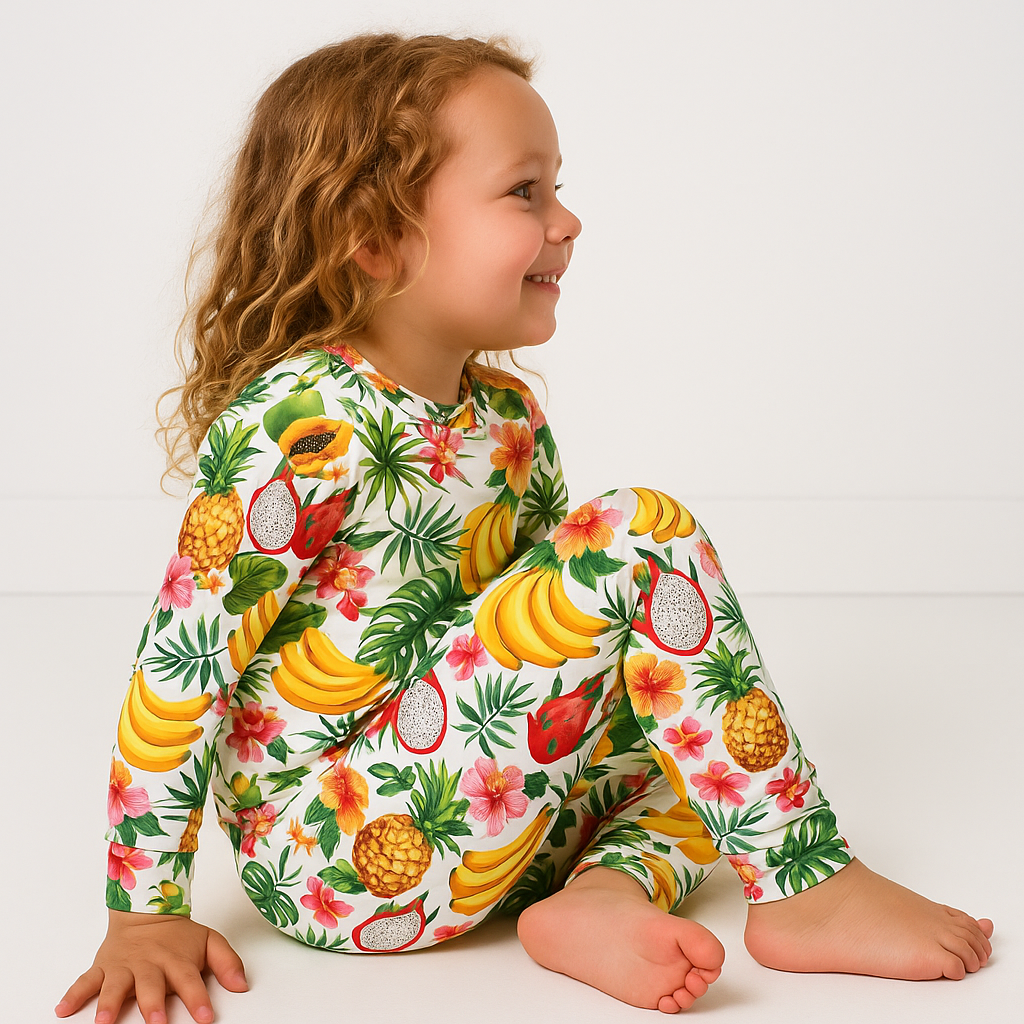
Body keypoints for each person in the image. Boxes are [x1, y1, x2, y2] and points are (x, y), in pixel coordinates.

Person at [56, 33, 993, 1023]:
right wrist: (143, 911)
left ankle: (597, 899)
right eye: (525, 193)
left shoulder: (504, 418)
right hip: (340, 853)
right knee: (644, 534)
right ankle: (802, 884)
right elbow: (179, 667)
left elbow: (568, 644)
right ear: (375, 238)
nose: (567, 219)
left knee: (695, 745)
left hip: (484, 818)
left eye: (557, 188)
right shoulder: (301, 427)